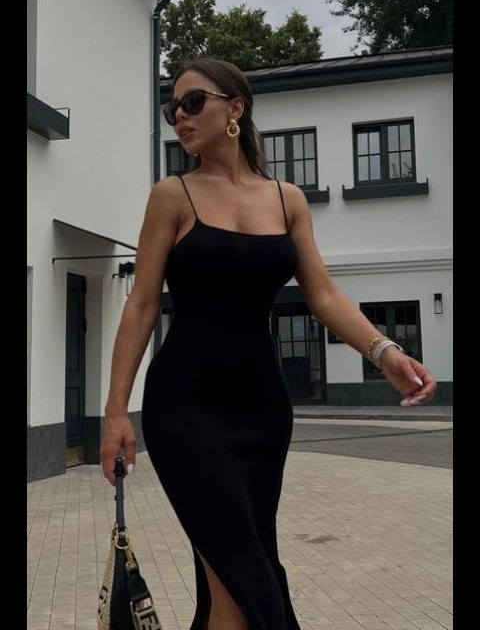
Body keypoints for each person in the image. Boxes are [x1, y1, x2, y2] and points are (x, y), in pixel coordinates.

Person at [100, 58, 436, 630]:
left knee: (240, 576)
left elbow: (323, 295)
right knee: (241, 579)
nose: (178, 117)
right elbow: (142, 305)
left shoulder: (288, 200)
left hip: (262, 408)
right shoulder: (172, 195)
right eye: (172, 108)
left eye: (192, 103)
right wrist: (115, 412)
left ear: (235, 108)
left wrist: (385, 352)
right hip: (185, 405)